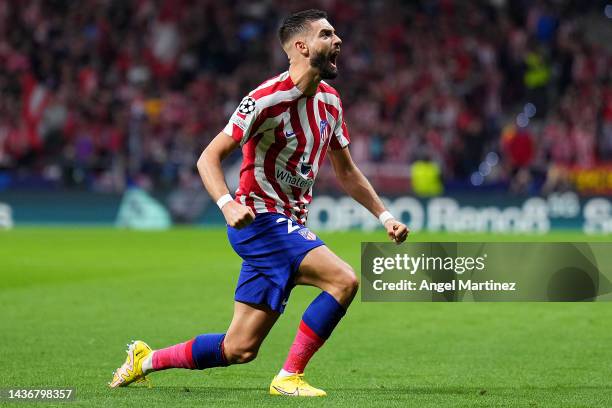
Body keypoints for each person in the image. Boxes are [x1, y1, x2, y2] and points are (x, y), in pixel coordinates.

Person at [109, 9, 409, 397]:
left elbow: (347, 172)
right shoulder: (264, 100)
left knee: (239, 348)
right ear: (301, 46)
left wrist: (383, 215)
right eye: (327, 34)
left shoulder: (331, 103)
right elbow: (208, 157)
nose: (338, 41)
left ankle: (144, 360)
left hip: (287, 224)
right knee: (344, 280)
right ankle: (289, 377)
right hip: (260, 221)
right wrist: (226, 204)